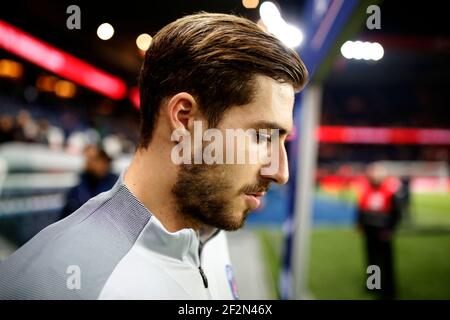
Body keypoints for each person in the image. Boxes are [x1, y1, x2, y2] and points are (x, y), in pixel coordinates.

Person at [0, 13, 307, 299]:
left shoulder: (209, 228)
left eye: (281, 139)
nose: (281, 172)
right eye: (262, 136)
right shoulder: (47, 284)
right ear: (186, 120)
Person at [357, 163, 401, 299]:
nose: (372, 177)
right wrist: (360, 224)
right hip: (370, 231)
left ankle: (388, 290)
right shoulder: (367, 189)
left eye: (375, 174)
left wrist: (389, 229)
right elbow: (361, 209)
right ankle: (373, 285)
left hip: (383, 232)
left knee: (385, 262)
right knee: (371, 259)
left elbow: (396, 214)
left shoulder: (390, 191)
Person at [60, 144, 118, 219]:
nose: (99, 164)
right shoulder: (77, 190)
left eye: (98, 159)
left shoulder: (115, 186)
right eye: (90, 159)